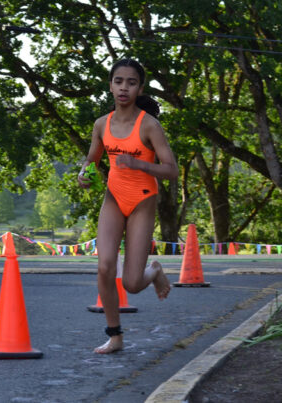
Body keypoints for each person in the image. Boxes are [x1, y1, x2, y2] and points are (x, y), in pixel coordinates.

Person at [78, 59, 178, 354]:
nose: (124, 87)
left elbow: (171, 169)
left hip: (143, 200)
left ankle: (154, 270)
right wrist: (85, 174)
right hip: (113, 197)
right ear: (110, 85)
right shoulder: (101, 124)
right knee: (104, 267)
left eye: (131, 82)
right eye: (118, 81)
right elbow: (92, 161)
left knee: (133, 284)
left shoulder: (149, 125)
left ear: (139, 88)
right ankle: (115, 336)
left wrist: (137, 163)